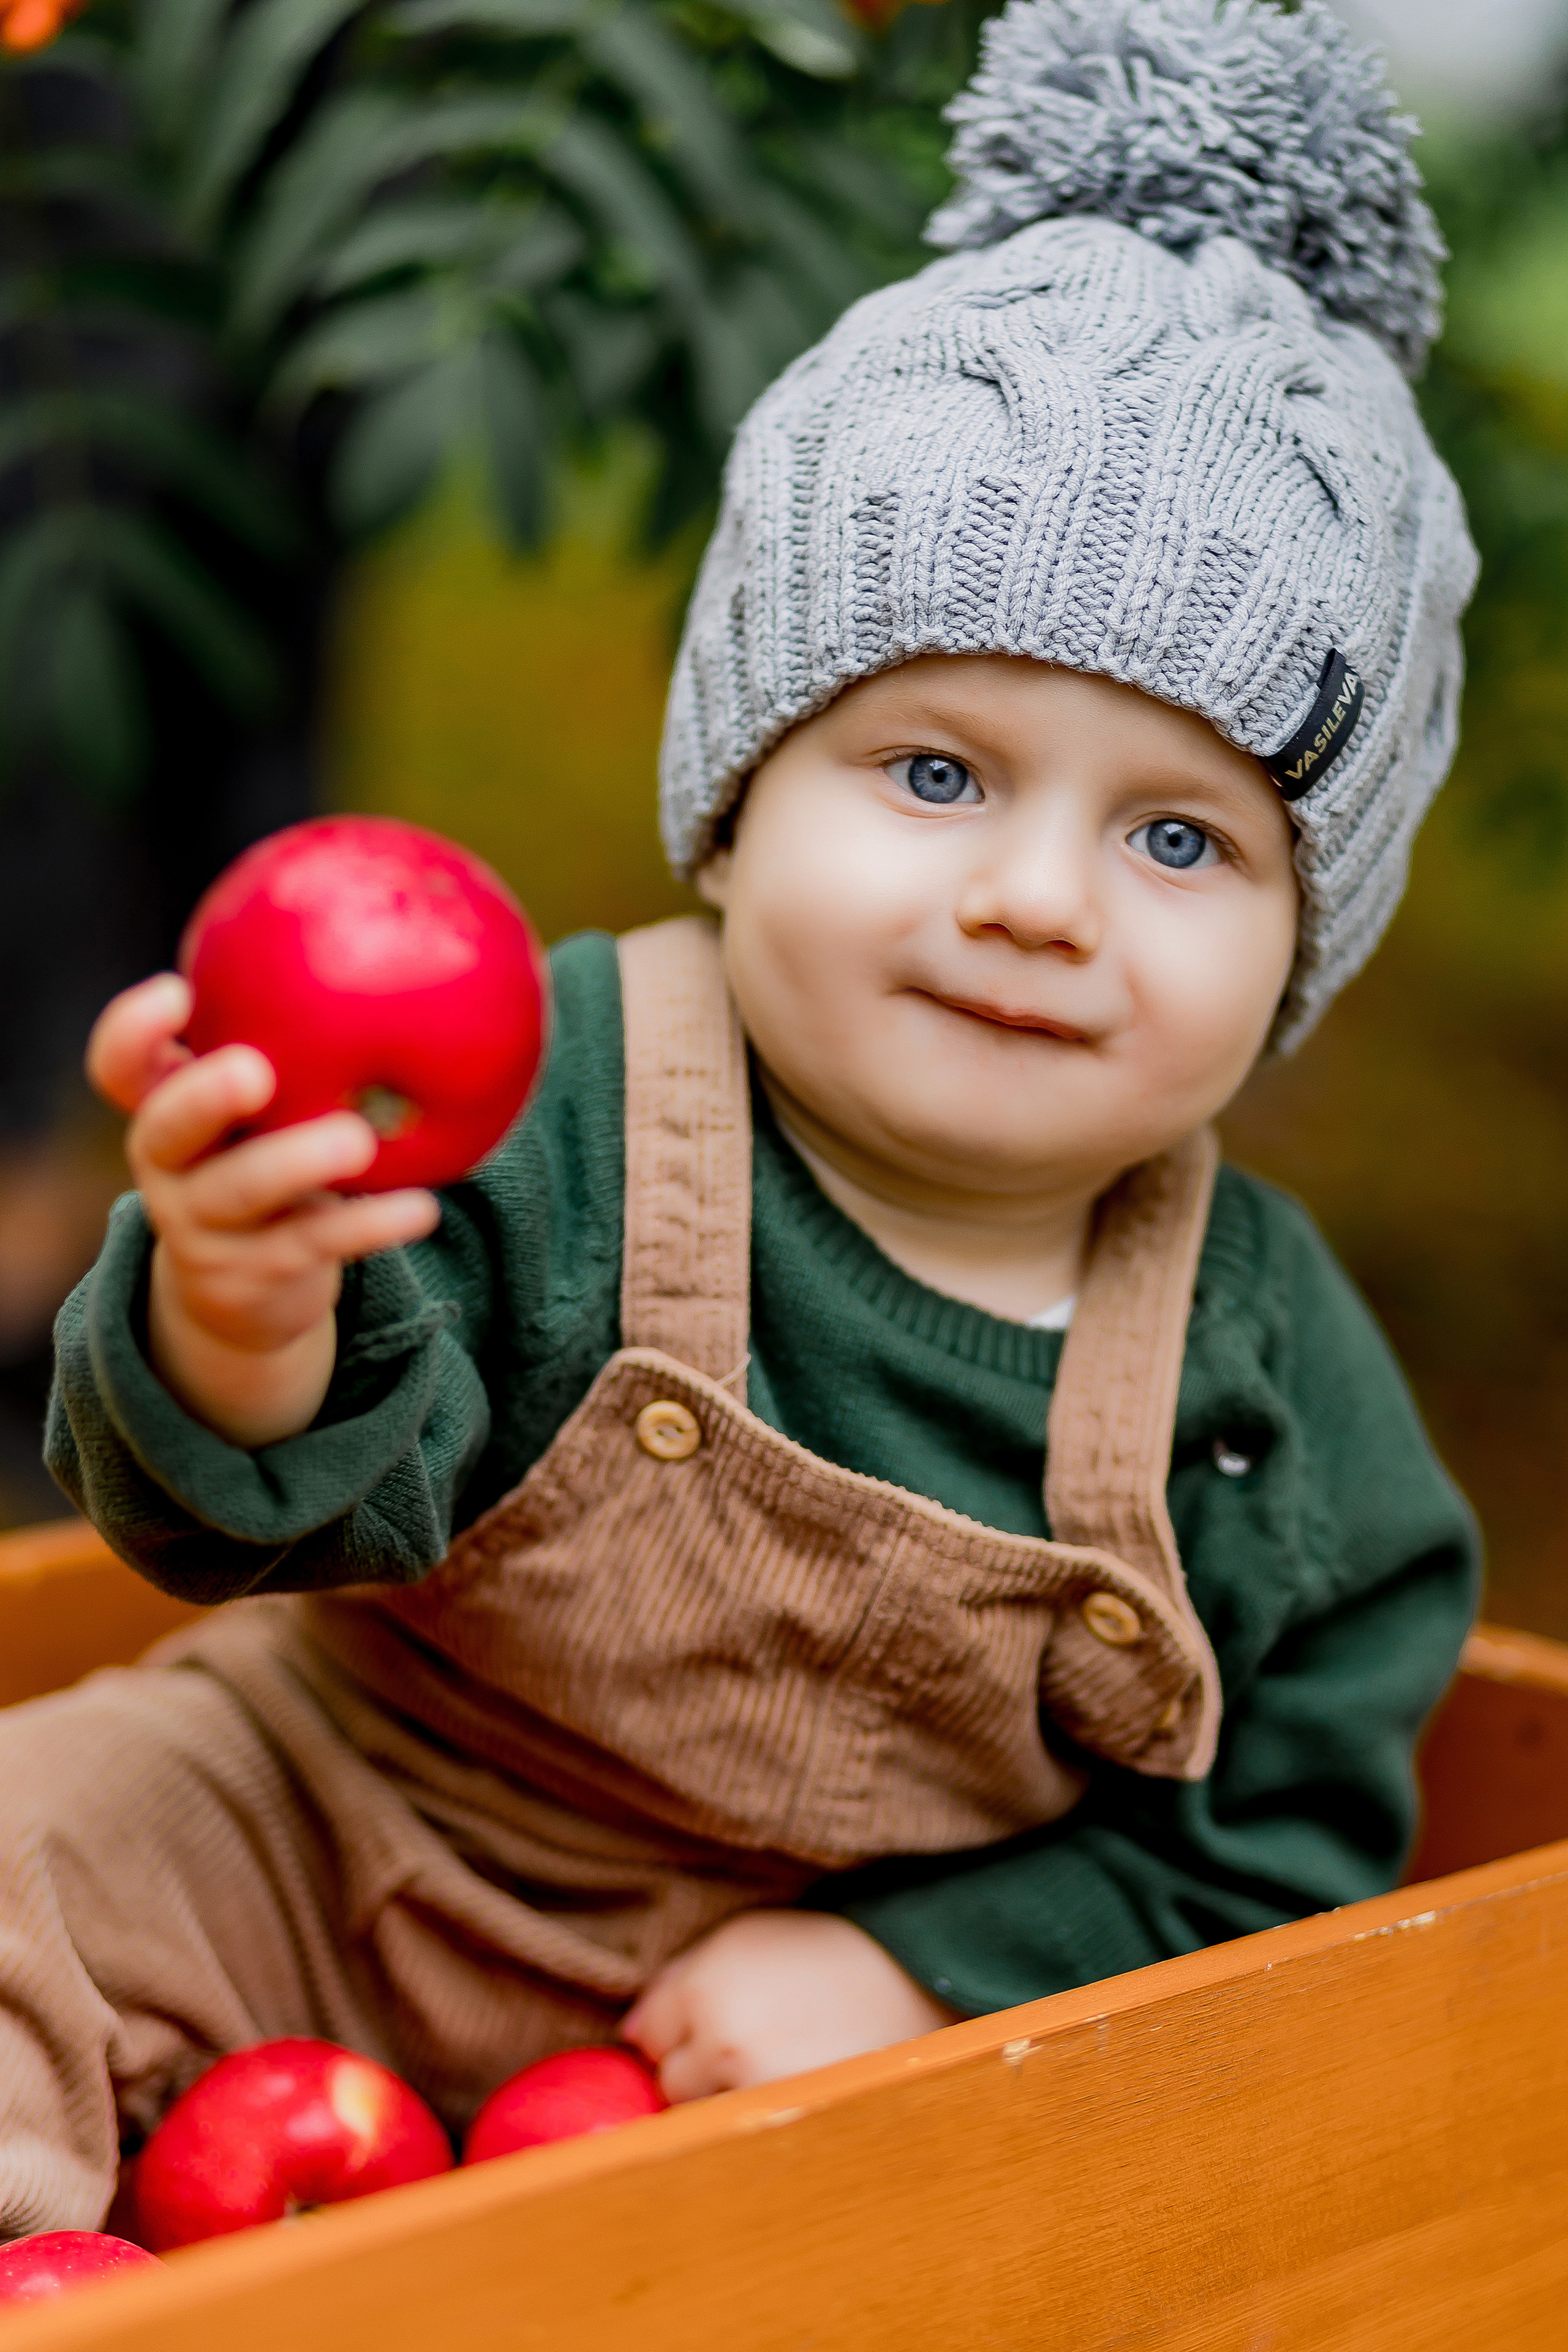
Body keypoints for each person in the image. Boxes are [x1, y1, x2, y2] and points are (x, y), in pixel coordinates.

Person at [9, 0, 1479, 2237]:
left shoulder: (1259, 1386)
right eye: (934, 772)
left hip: (783, 2061)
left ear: (1305, 940)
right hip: (333, 1825)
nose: (1032, 899)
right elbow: (254, 1514)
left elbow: (1277, 1830)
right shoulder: (567, 1097)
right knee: (39, 1836)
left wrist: (924, 1966)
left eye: (1182, 843)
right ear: (733, 795)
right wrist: (240, 1298)